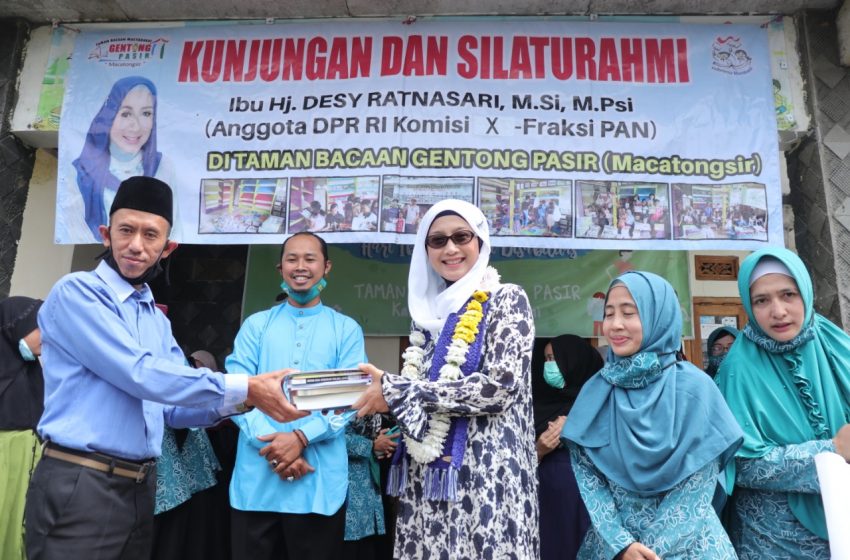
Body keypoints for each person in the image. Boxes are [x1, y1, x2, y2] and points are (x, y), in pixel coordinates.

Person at [25, 176, 302, 560]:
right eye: (126, 230)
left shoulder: (154, 318)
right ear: (106, 234)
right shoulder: (77, 293)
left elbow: (175, 411)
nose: (136, 245)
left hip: (140, 488)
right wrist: (247, 387)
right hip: (81, 482)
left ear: (167, 248)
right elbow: (140, 374)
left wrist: (249, 401)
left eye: (150, 235)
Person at [353, 199, 539, 559]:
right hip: (428, 484)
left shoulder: (506, 300)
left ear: (480, 242)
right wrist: (392, 394)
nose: (450, 248)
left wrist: (397, 391)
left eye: (461, 236)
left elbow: (497, 388)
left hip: (489, 479)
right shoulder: (426, 318)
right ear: (426, 251)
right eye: (437, 241)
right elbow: (416, 399)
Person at [562, 271, 743, 560]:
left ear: (659, 316)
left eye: (629, 313)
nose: (616, 325)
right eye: (609, 314)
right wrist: (620, 545)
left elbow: (697, 486)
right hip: (614, 548)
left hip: (691, 546)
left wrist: (650, 552)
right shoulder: (596, 391)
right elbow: (589, 477)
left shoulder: (694, 389)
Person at [225, 231, 367, 560]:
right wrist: (278, 450)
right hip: (258, 481)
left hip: (317, 484)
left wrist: (301, 437)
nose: (300, 266)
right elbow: (238, 392)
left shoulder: (345, 329)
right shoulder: (255, 326)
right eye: (292, 259)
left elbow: (348, 401)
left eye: (310, 258)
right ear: (280, 268)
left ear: (326, 266)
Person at [716, 247, 850, 559]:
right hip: (775, 540)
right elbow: (741, 465)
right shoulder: (738, 369)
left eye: (788, 294)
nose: (777, 311)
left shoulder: (834, 343)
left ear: (805, 291)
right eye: (762, 300)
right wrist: (830, 451)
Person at [59, 76, 177, 243]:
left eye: (146, 113)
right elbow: (73, 229)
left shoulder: (163, 167)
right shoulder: (80, 172)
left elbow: (174, 230)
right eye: (126, 113)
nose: (135, 126)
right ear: (109, 116)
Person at [531, 335, 601, 560]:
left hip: (591, 504)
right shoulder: (538, 403)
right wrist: (540, 449)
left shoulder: (601, 401)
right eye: (546, 359)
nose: (548, 366)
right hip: (548, 505)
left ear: (574, 362)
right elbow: (517, 459)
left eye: (553, 358)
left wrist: (576, 424)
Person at [151, 344, 223, 560]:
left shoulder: (161, 341)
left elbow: (181, 409)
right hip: (151, 485)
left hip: (174, 479)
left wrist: (242, 397)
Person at [0, 296, 44, 560]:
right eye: (39, 327)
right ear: (15, 325)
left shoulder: (32, 372)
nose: (46, 336)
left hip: (28, 461)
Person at [343, 414, 391, 558]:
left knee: (368, 543)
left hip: (369, 479)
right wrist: (371, 444)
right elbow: (333, 439)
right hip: (346, 479)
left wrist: (378, 441)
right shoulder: (336, 402)